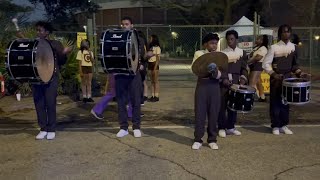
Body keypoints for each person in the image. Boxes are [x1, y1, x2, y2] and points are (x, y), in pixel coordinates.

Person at [263, 24, 309, 135]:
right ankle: (275, 125)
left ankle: (284, 125)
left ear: (290, 33)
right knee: (275, 102)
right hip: (276, 79)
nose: (286, 33)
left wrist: (300, 73)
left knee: (286, 102)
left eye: (288, 31)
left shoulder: (294, 47)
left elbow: (294, 66)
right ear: (280, 34)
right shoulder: (273, 47)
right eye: (284, 32)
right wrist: (273, 74)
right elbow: (266, 64)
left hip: (288, 80)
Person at [32, 21, 71, 140]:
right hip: (37, 77)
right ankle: (43, 128)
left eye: (40, 30)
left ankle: (51, 128)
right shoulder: (34, 44)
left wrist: (63, 53)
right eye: (37, 30)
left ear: (47, 32)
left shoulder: (55, 44)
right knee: (39, 104)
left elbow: (62, 61)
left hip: (51, 77)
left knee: (50, 103)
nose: (38, 32)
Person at [191, 33, 227, 150]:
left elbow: (223, 73)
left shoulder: (220, 56)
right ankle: (198, 139)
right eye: (211, 43)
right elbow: (194, 69)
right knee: (200, 113)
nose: (214, 45)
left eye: (216, 43)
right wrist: (207, 68)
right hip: (202, 85)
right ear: (205, 44)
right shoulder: (199, 53)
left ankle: (212, 139)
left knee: (213, 113)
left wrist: (216, 73)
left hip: (214, 86)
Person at [218, 30, 248, 138]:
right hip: (224, 82)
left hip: (236, 82)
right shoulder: (222, 53)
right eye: (228, 40)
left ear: (237, 40)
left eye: (232, 39)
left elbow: (244, 68)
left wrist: (243, 78)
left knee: (234, 105)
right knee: (222, 105)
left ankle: (231, 127)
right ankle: (221, 127)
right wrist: (224, 79)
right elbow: (220, 69)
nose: (230, 41)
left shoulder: (242, 53)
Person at [248, 35, 268, 102]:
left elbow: (258, 57)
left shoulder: (263, 48)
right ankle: (262, 97)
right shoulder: (257, 48)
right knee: (258, 82)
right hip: (254, 66)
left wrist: (248, 61)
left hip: (257, 66)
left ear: (262, 41)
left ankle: (249, 98)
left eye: (258, 39)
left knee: (252, 83)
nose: (256, 40)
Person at [147, 35, 161, 102]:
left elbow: (158, 59)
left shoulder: (157, 48)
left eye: (151, 38)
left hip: (154, 64)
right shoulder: (150, 47)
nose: (150, 39)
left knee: (156, 81)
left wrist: (155, 68)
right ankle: (152, 96)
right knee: (152, 81)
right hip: (149, 64)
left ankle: (156, 96)